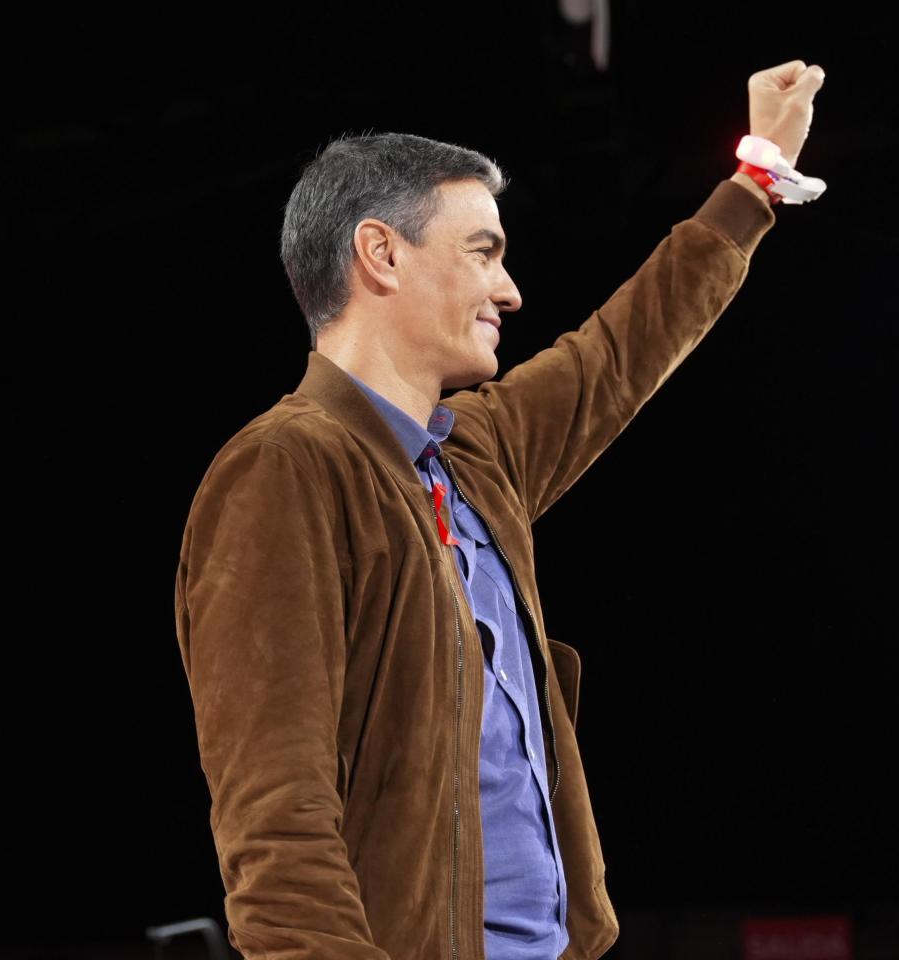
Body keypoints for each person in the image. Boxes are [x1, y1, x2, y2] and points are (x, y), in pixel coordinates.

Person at [174, 60, 825, 960]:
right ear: (381, 254)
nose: (510, 290)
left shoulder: (476, 456)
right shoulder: (285, 468)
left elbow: (621, 352)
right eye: (484, 250)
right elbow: (276, 822)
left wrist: (755, 183)